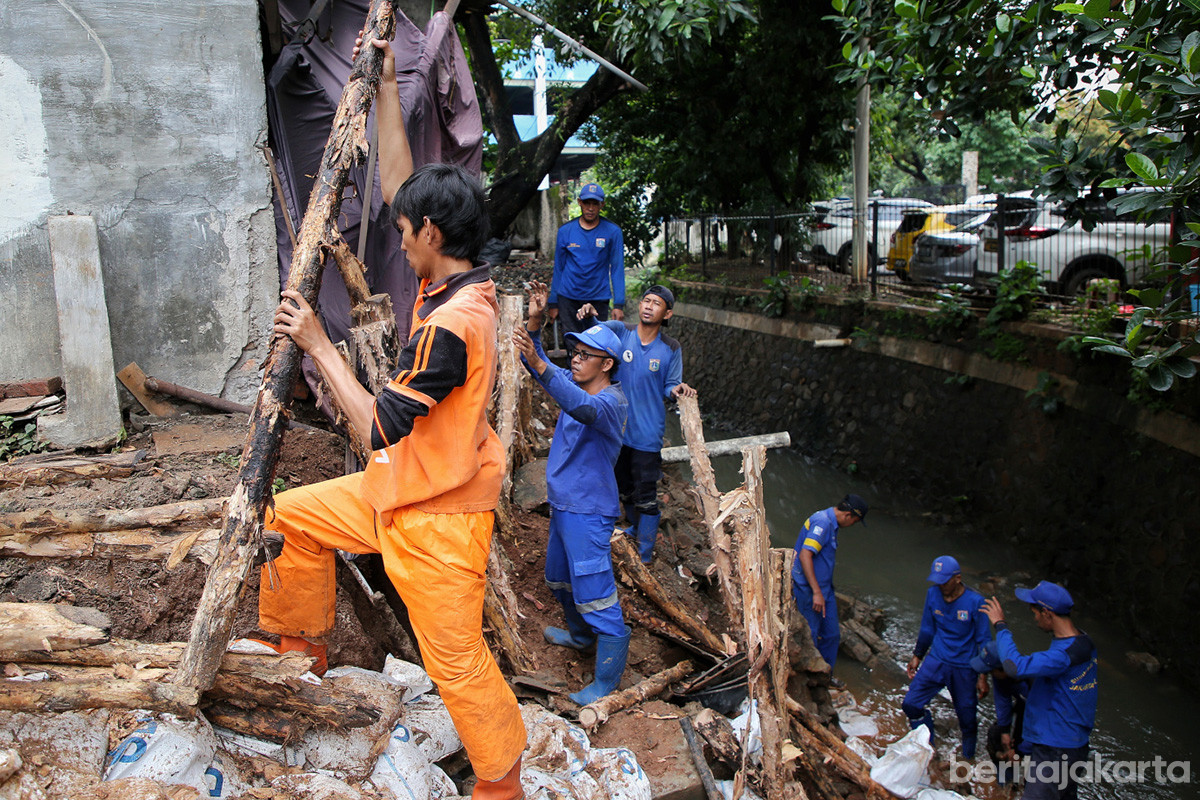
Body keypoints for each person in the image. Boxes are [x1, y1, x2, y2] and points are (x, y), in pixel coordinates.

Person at [256, 35, 526, 800]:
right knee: (290, 519)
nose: (396, 238)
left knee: (457, 662)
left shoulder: (452, 325)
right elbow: (400, 184)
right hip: (398, 490)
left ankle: (503, 783)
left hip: (438, 516)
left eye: (405, 233)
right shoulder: (451, 278)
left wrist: (318, 344)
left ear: (431, 240)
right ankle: (298, 651)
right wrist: (377, 88)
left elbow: (377, 429)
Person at [512, 280, 630, 705]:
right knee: (559, 579)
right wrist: (536, 321)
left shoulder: (609, 402)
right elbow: (540, 363)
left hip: (588, 511)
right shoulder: (576, 385)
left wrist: (542, 366)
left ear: (607, 365)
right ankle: (580, 637)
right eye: (575, 352)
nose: (575, 360)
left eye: (584, 355)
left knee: (597, 595)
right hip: (564, 506)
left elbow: (570, 397)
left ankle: (605, 682)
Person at [575, 285, 697, 562]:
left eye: (656, 303)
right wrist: (590, 315)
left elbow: (671, 384)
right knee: (623, 485)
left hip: (647, 433)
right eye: (646, 300)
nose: (649, 306)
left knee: (646, 494)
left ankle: (645, 552)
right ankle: (632, 528)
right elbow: (597, 330)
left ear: (667, 314)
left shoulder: (670, 348)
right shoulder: (622, 331)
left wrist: (678, 390)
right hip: (617, 430)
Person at [982, 582, 1098, 800]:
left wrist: (1000, 625)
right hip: (1075, 744)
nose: (1033, 618)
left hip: (1055, 750)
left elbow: (1013, 666)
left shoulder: (1061, 656)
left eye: (1034, 612)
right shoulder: (1085, 643)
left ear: (1047, 614)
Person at [902, 555, 991, 759]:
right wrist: (917, 656)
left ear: (957, 578)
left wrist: (983, 675)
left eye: (944, 581)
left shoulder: (976, 602)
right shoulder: (932, 594)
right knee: (911, 703)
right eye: (937, 581)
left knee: (967, 718)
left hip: (964, 666)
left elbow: (984, 640)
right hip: (937, 660)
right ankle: (928, 747)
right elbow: (927, 628)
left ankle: (968, 758)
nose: (940, 585)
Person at [789, 494, 869, 668]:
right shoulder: (823, 523)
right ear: (849, 515)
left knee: (832, 635)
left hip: (824, 589)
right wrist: (816, 592)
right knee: (811, 633)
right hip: (809, 589)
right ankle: (812, 675)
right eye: (854, 521)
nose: (852, 525)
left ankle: (826, 675)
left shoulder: (832, 524)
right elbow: (805, 555)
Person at [547, 183, 625, 337]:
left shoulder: (613, 232)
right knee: (571, 344)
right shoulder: (565, 231)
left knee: (595, 345)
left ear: (602, 205)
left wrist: (618, 304)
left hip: (598, 298)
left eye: (595, 204)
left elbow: (617, 268)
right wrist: (553, 302)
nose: (590, 208)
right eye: (587, 203)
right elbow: (559, 268)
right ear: (579, 202)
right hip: (569, 298)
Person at [970, 640, 1030, 785]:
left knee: (1036, 758)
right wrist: (1005, 731)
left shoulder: (1031, 679)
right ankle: (1007, 784)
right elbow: (1003, 700)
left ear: (1003, 668)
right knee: (996, 735)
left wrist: (1021, 750)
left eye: (991, 671)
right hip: (1024, 706)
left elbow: (1040, 722)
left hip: (1049, 717)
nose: (990, 675)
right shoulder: (1001, 677)